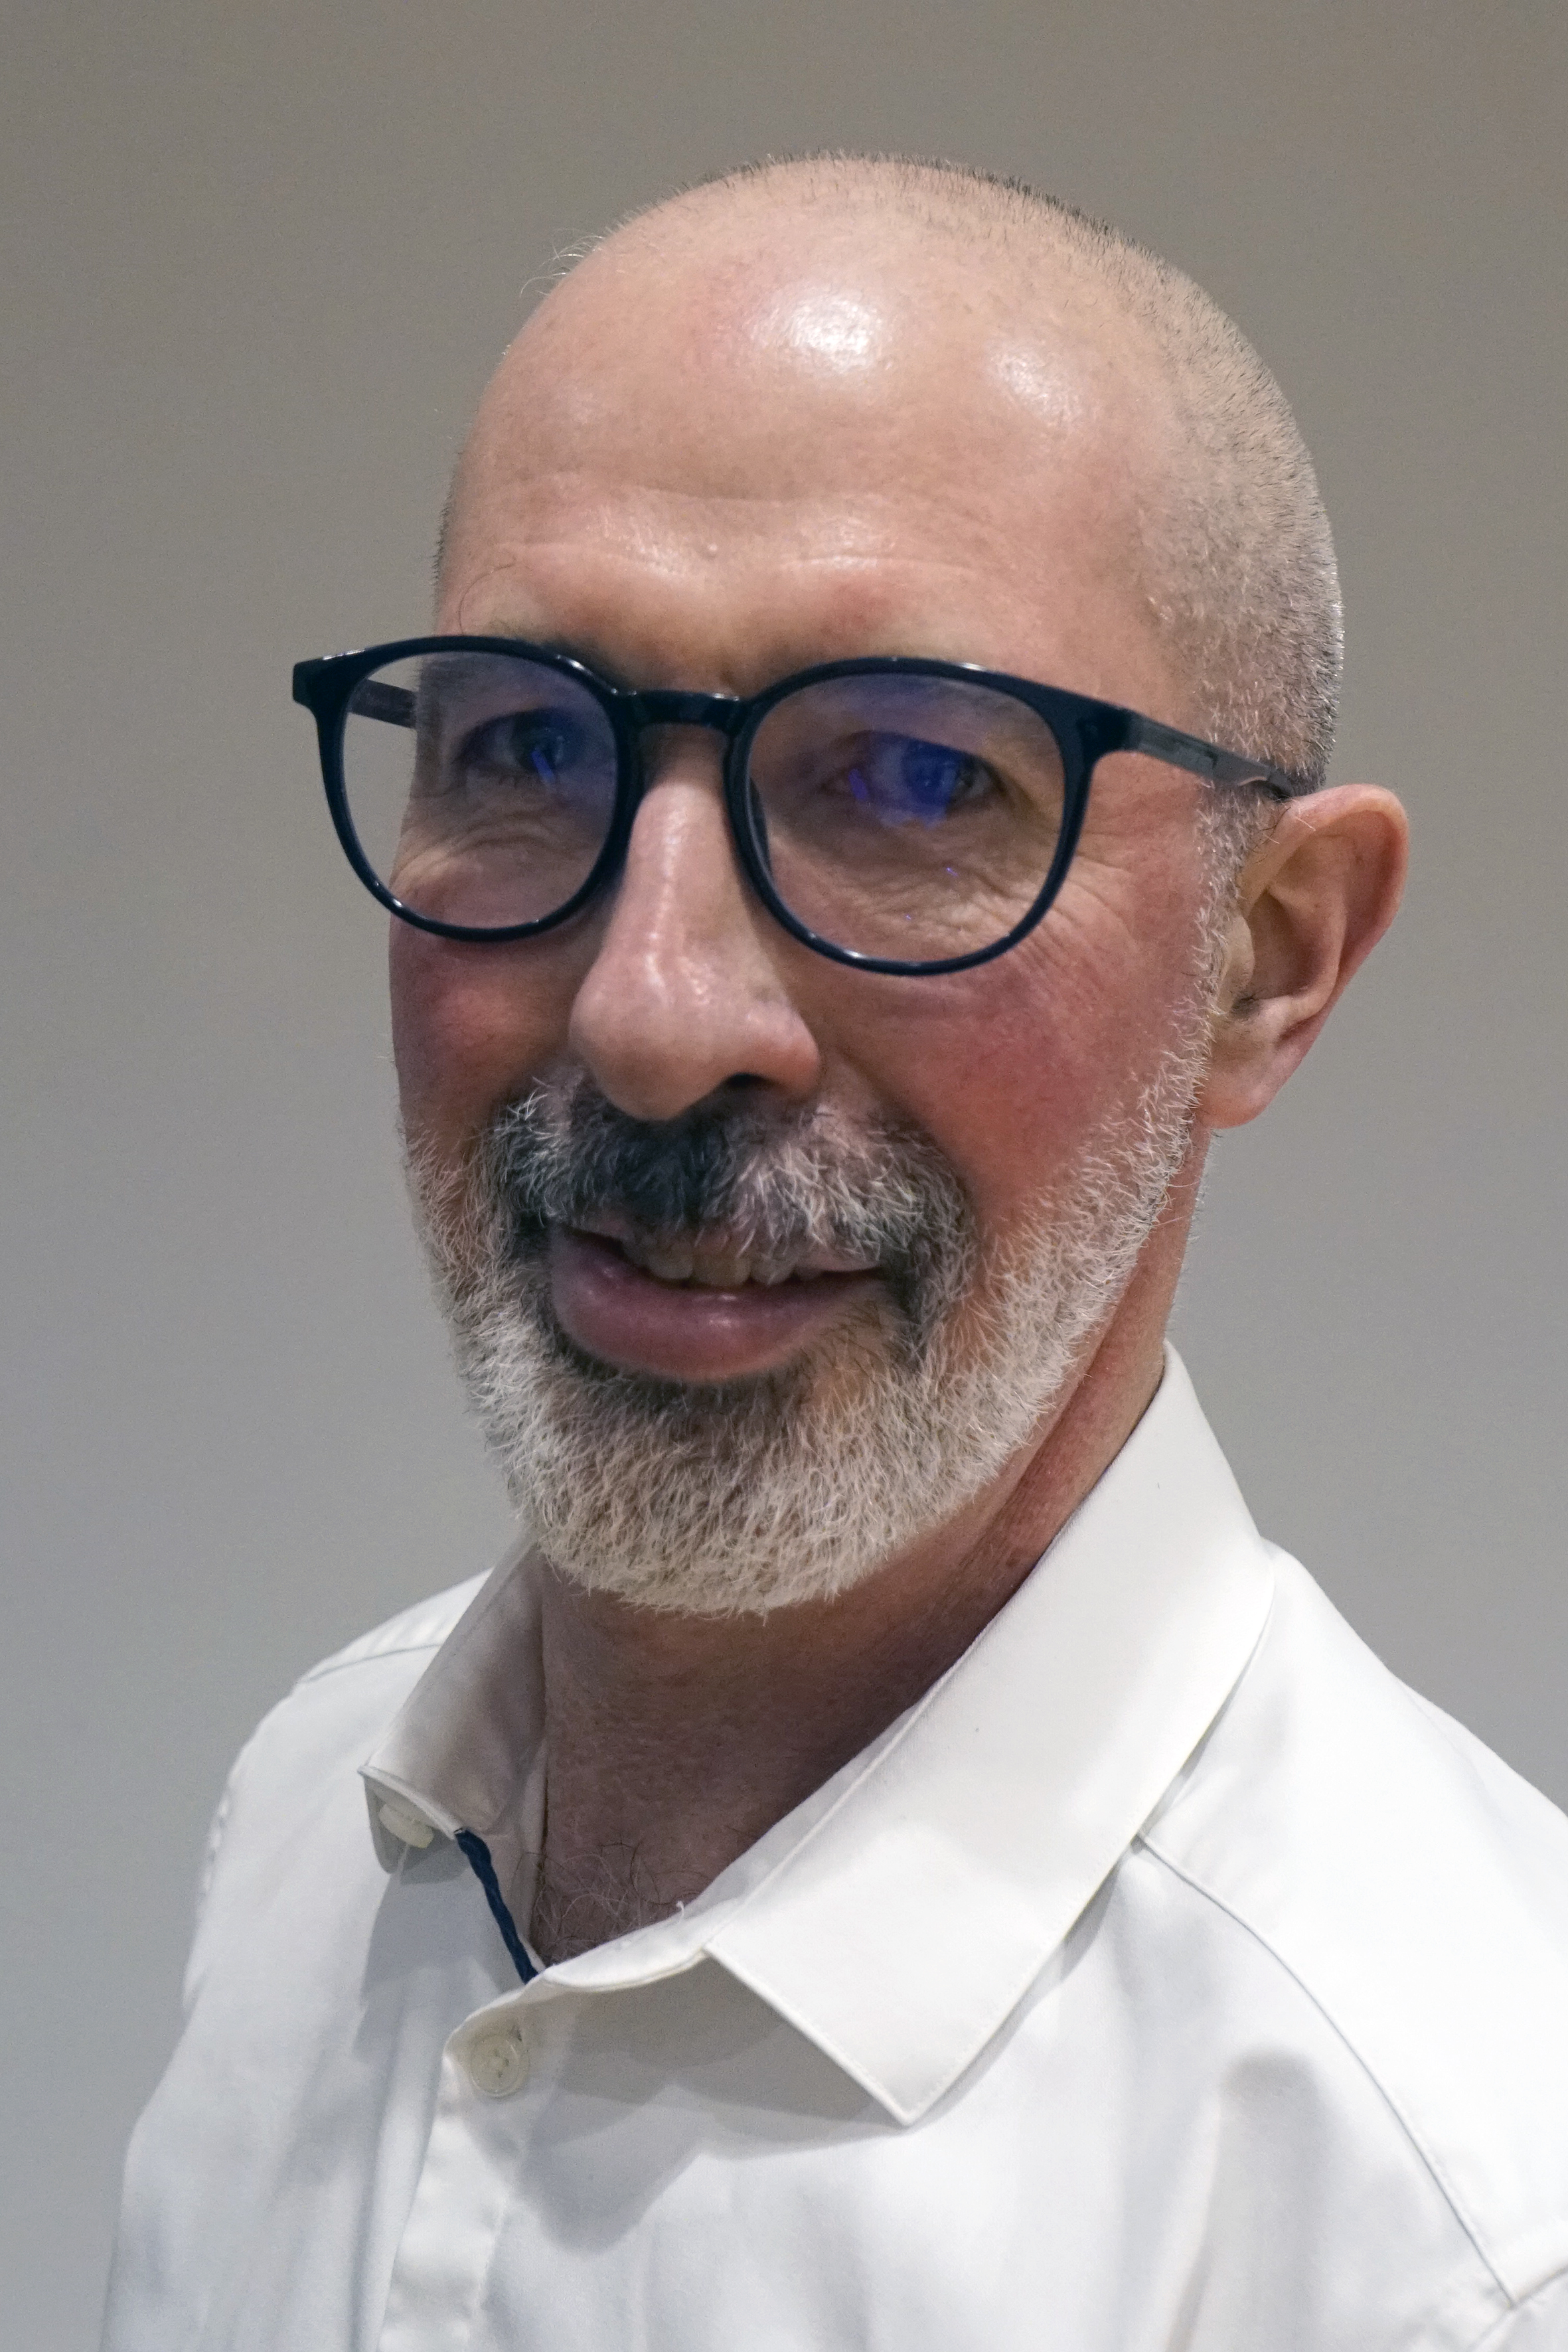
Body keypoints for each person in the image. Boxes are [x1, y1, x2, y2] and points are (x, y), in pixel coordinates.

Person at [102, 155, 1568, 2351]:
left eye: (910, 778)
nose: (649, 1016)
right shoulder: (314, 1828)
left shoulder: (1458, 2237)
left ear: (1266, 960)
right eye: (526, 745)